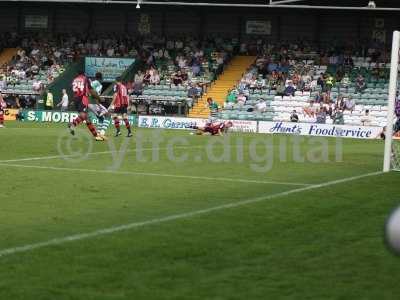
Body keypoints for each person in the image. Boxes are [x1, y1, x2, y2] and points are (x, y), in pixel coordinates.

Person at [68, 71, 105, 141]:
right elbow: (91, 91)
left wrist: (72, 100)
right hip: (83, 99)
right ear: (84, 74)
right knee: (85, 116)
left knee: (85, 117)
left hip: (76, 98)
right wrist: (99, 98)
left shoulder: (75, 80)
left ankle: (95, 135)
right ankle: (96, 135)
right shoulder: (85, 79)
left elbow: (73, 89)